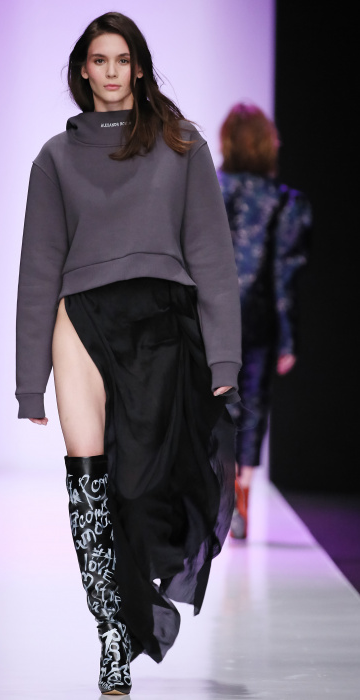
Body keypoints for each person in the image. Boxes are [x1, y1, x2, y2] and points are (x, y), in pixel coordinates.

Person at [16, 13, 241, 695]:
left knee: (141, 492)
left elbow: (212, 255)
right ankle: (110, 634)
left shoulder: (181, 144)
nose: (111, 72)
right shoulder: (55, 158)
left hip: (162, 324)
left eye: (122, 60)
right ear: (83, 70)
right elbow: (39, 269)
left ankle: (131, 609)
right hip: (81, 321)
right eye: (99, 60)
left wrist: (224, 358)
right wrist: (29, 382)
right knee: (88, 484)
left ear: (138, 68)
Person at [217, 103, 312, 540]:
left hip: (210, 312)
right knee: (252, 405)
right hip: (258, 318)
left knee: (210, 400)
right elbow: (283, 273)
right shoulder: (283, 200)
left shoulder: (209, 188)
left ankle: (213, 494)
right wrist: (288, 339)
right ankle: (240, 497)